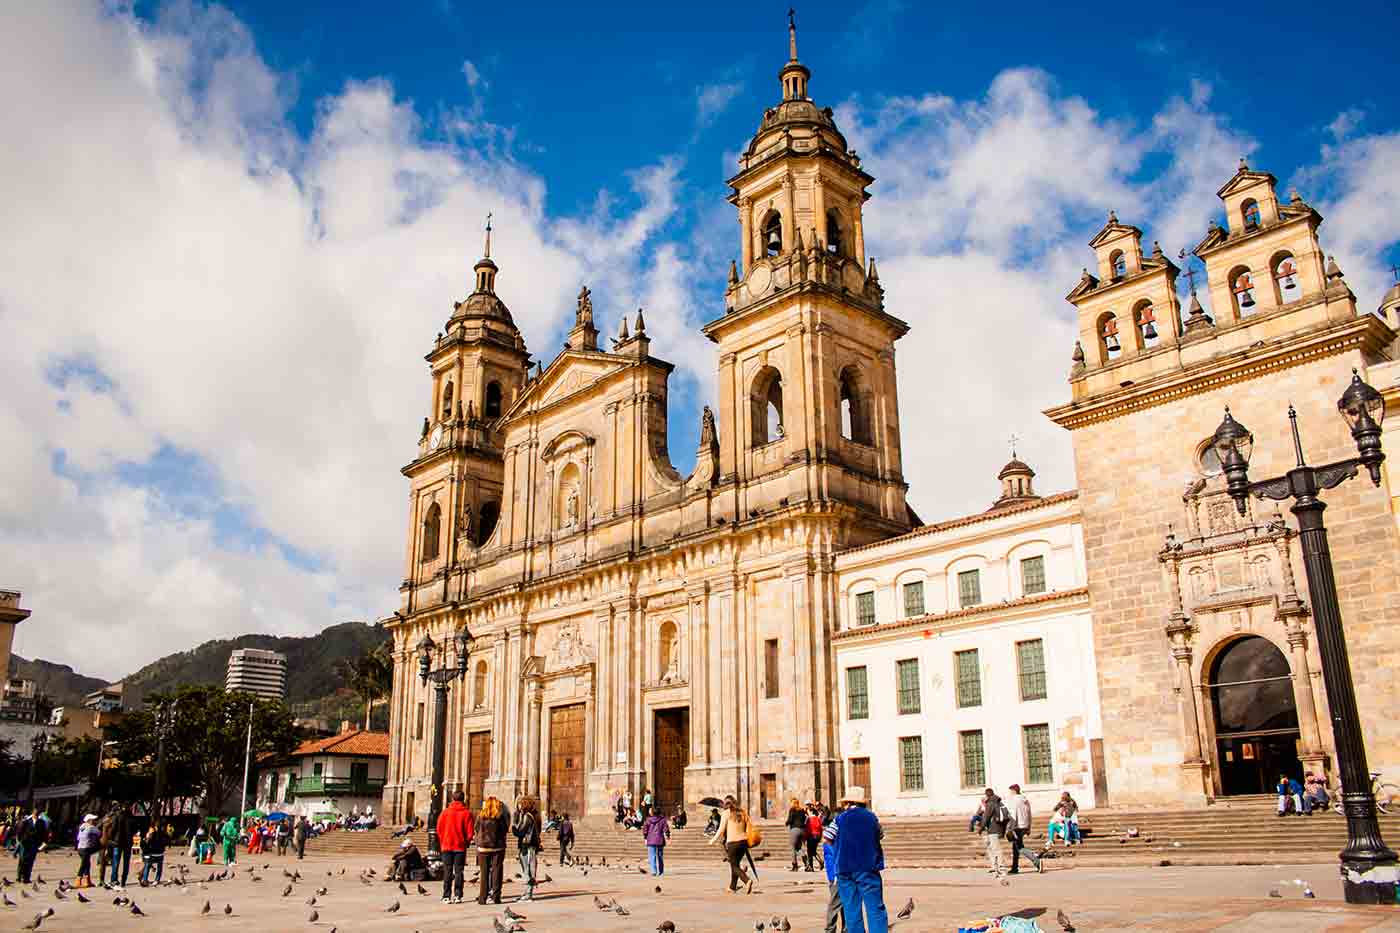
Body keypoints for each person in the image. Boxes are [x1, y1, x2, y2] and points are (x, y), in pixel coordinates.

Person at [832, 786, 887, 933]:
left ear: (848, 803)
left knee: (851, 909)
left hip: (845, 868)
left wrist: (841, 845)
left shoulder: (839, 819)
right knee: (875, 907)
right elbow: (880, 835)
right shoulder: (872, 818)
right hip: (867, 867)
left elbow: (827, 837)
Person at [706, 795, 753, 894]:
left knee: (734, 866)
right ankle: (732, 887)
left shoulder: (726, 813)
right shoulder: (743, 812)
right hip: (743, 843)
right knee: (734, 864)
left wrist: (713, 840)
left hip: (733, 843)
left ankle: (747, 880)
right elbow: (748, 826)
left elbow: (721, 829)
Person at [436, 790, 474, 903]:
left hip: (446, 846)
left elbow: (439, 829)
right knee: (459, 872)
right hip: (460, 847)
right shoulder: (467, 813)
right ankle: (458, 895)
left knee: (447, 871)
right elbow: (470, 833)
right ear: (463, 799)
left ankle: (446, 895)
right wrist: (465, 842)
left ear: (452, 799)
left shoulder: (445, 812)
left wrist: (443, 840)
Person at [475, 795, 509, 906]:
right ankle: (496, 896)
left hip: (483, 847)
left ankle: (482, 898)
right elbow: (505, 830)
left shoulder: (480, 816)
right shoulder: (500, 817)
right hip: (498, 847)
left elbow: (476, 828)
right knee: (497, 871)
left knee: (484, 872)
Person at [1006, 784, 1043, 874]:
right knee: (1015, 847)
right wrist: (1029, 827)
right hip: (1024, 825)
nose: (1009, 793)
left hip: (1016, 826)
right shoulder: (1025, 799)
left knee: (1019, 847)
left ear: (1013, 791)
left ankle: (1036, 860)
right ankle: (1015, 868)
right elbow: (1029, 814)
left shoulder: (1013, 800)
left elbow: (1013, 814)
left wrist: (1010, 828)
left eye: (1010, 791)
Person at [512, 795, 541, 902]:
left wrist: (514, 825)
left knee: (527, 870)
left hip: (527, 845)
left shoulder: (527, 817)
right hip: (531, 845)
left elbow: (520, 831)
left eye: (520, 804)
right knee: (529, 869)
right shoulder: (535, 815)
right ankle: (527, 892)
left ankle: (528, 894)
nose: (518, 806)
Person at [978, 788, 1009, 880]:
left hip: (993, 829)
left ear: (987, 795)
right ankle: (995, 867)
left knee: (996, 848)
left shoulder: (990, 803)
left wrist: (981, 828)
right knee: (991, 847)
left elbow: (986, 817)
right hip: (997, 828)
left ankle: (1001, 868)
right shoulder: (998, 802)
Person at [821, 820, 844, 933]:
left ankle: (846, 928)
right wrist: (835, 875)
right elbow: (833, 861)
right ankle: (830, 929)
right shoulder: (830, 845)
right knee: (835, 904)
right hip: (836, 877)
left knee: (844, 904)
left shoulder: (833, 843)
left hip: (837, 876)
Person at [15, 810, 48, 884]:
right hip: (25, 843)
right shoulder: (26, 821)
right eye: (35, 813)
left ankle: (27, 878)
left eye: (37, 814)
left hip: (34, 844)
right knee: (22, 860)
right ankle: (19, 876)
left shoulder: (41, 822)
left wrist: (44, 843)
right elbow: (20, 832)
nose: (35, 815)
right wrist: (20, 841)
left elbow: (44, 833)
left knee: (30, 861)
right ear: (32, 813)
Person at [108, 804, 133, 889]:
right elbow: (135, 829)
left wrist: (111, 837)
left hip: (118, 842)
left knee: (115, 862)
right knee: (126, 863)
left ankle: (114, 880)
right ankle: (123, 881)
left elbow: (113, 829)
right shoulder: (131, 817)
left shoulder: (117, 816)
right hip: (128, 843)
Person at [642, 805, 670, 876]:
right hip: (660, 839)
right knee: (660, 856)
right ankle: (661, 871)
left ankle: (654, 871)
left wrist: (645, 837)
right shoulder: (663, 820)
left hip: (651, 839)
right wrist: (668, 836)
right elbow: (666, 829)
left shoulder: (648, 820)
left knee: (652, 856)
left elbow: (645, 829)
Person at [76, 814, 101, 888]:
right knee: (83, 865)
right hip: (86, 848)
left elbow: (78, 838)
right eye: (93, 820)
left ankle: (88, 881)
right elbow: (99, 833)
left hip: (80, 848)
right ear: (89, 820)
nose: (94, 821)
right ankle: (78, 880)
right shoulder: (91, 827)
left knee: (87, 864)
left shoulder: (81, 827)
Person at [785, 798, 808, 871]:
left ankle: (795, 866)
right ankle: (807, 863)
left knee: (793, 848)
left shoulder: (792, 809)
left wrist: (786, 823)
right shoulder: (802, 810)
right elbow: (805, 819)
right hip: (802, 830)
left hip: (795, 830)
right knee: (799, 847)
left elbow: (790, 819)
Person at [805, 804, 824, 871]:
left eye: (808, 811)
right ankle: (820, 861)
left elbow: (807, 829)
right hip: (817, 836)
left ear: (811, 812)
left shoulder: (809, 819)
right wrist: (820, 837)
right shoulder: (818, 819)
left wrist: (805, 838)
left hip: (811, 836)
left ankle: (811, 867)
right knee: (813, 851)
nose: (807, 812)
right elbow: (821, 828)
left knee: (809, 852)